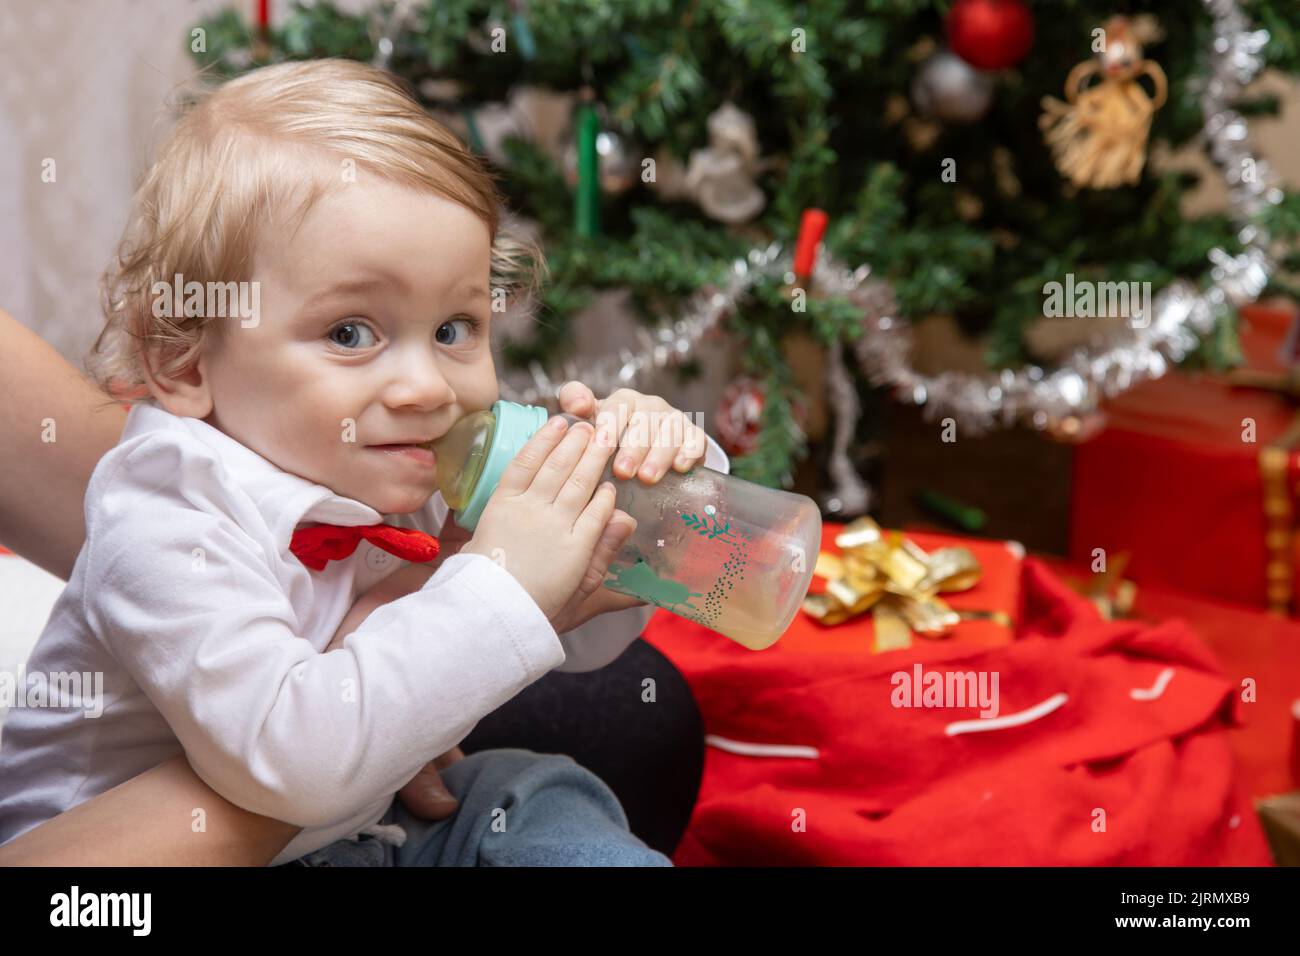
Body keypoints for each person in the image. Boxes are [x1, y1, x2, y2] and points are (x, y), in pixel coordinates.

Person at [0, 58, 723, 866]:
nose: (425, 387)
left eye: (454, 328)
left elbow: (579, 638)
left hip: (357, 830)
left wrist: (650, 479)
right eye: (350, 333)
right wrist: (500, 582)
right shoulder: (164, 519)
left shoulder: (389, 456)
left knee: (531, 789)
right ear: (184, 361)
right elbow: (293, 764)